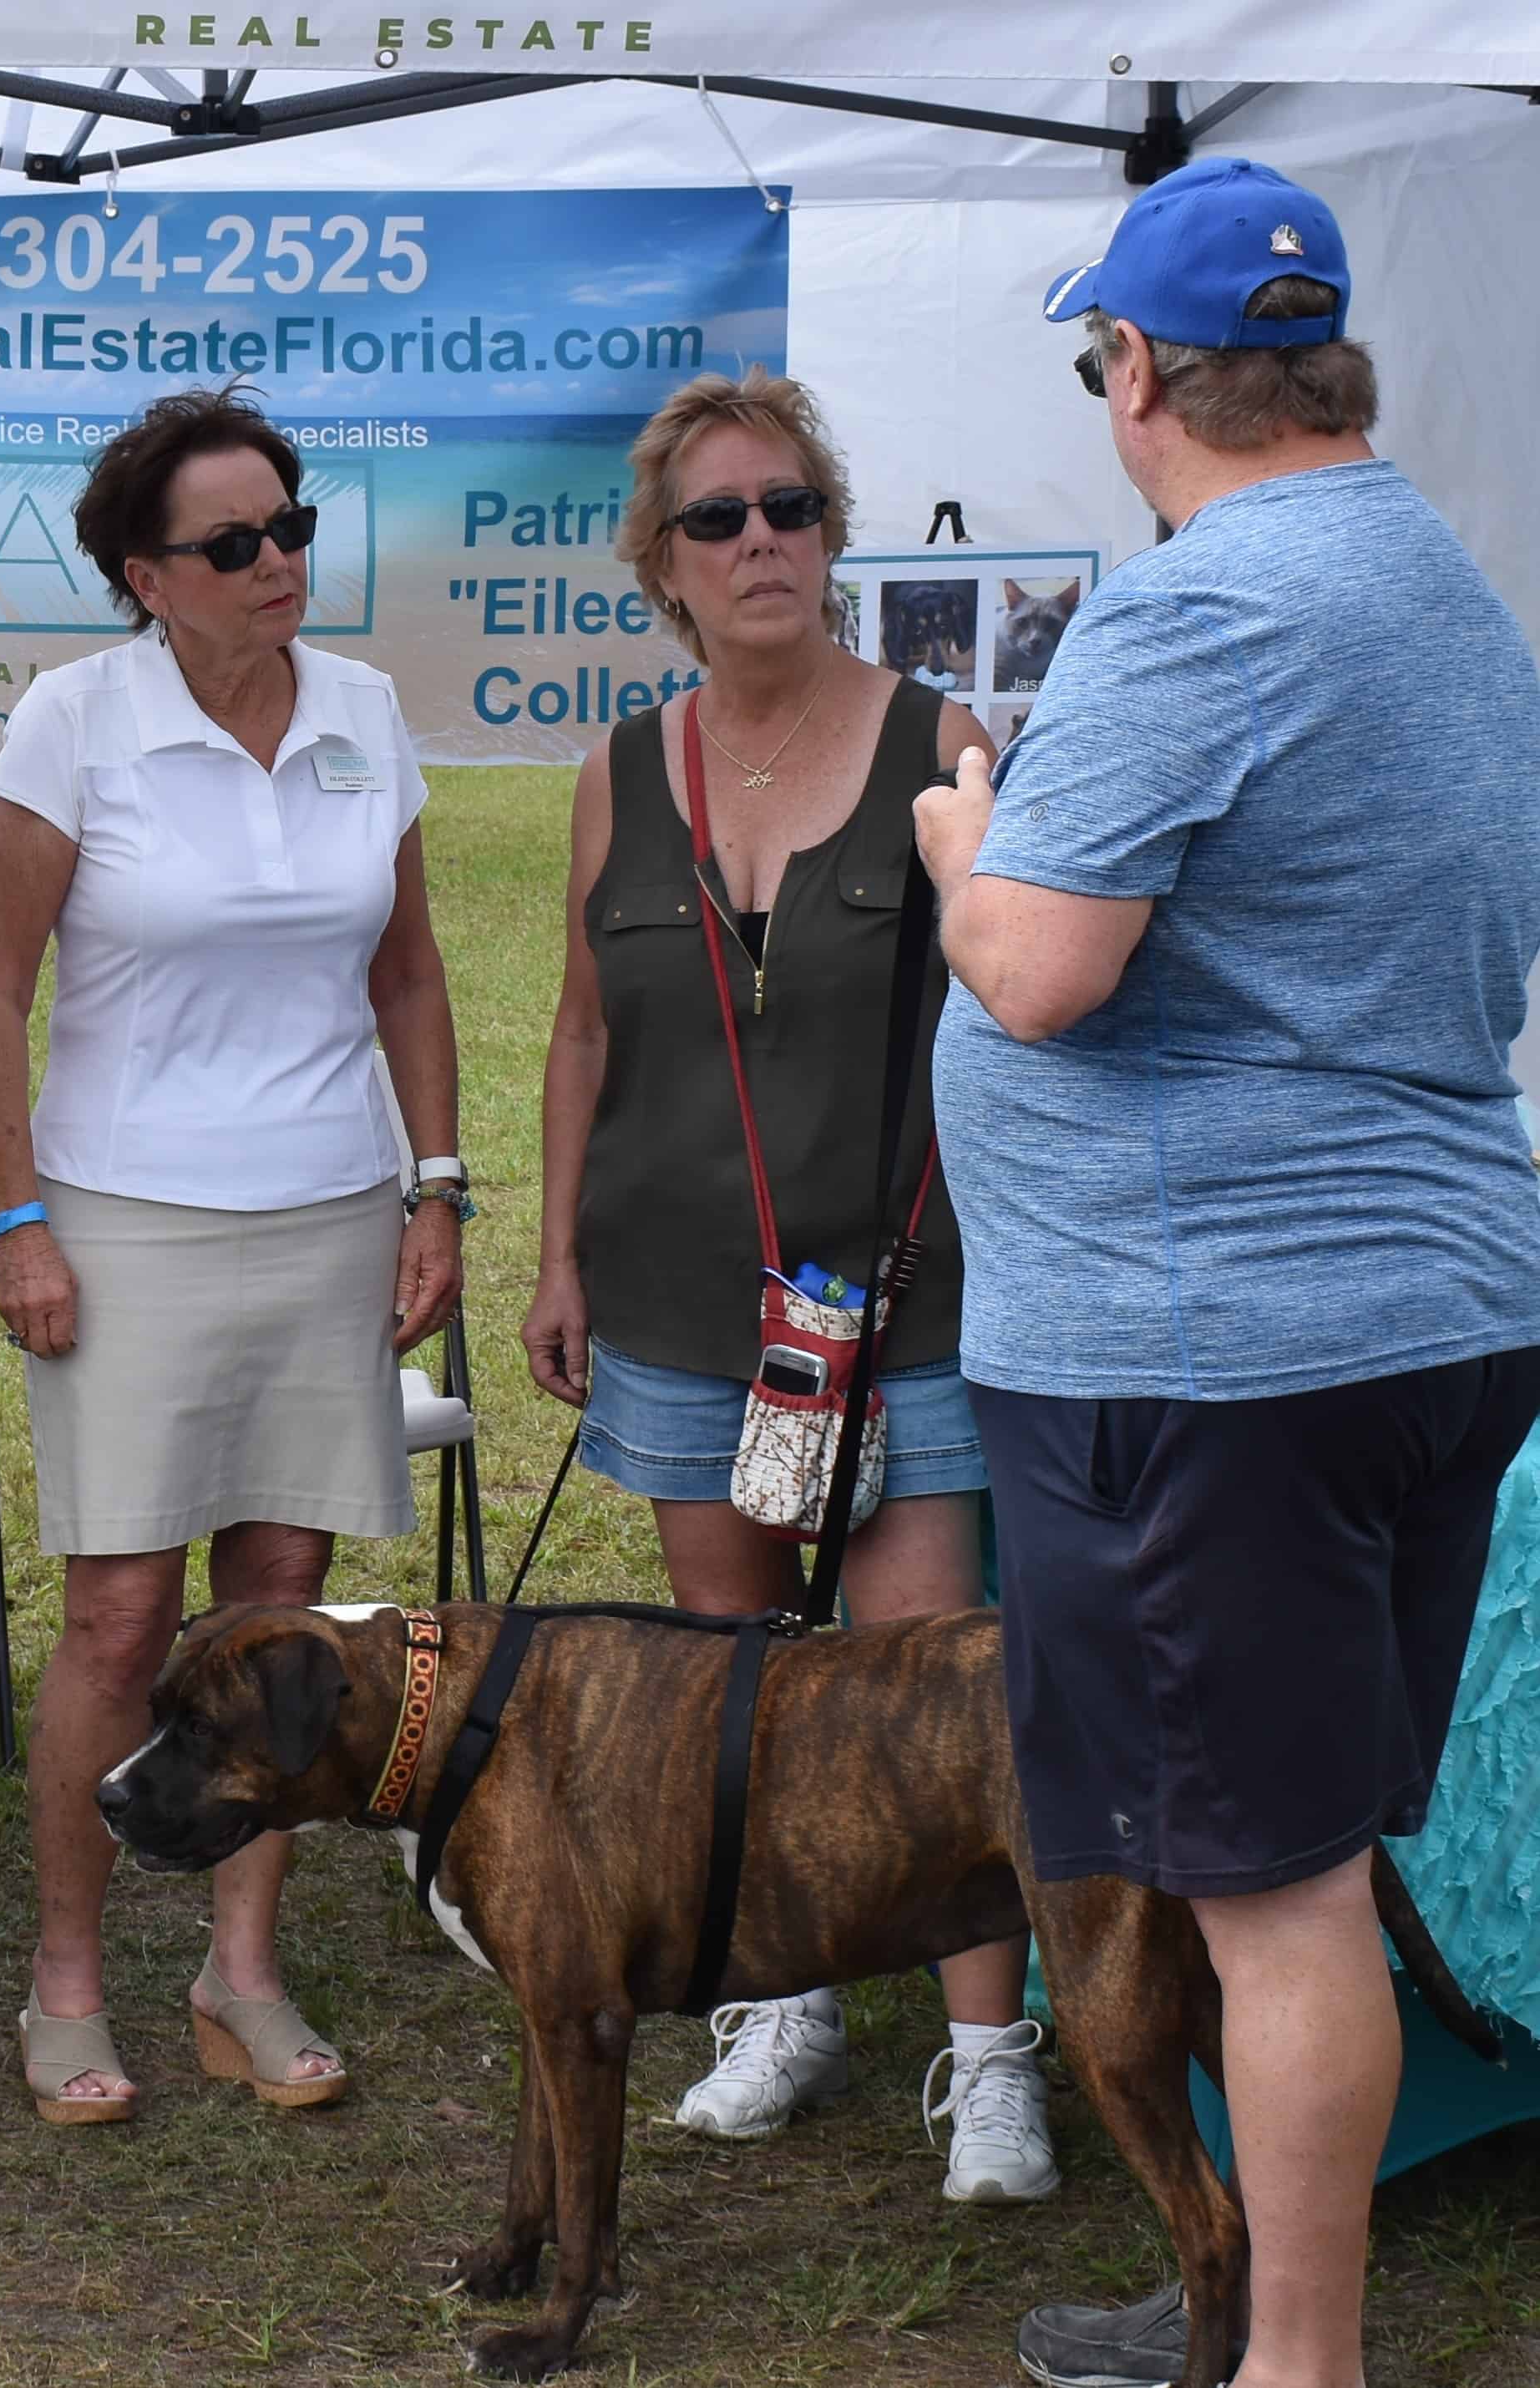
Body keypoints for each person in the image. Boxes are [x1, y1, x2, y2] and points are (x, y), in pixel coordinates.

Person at [917, 159, 1540, 2388]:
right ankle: (1243, 2318)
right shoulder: (1442, 579)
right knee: (1281, 1860)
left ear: (1140, 374)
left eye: (1100, 365)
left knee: (1266, 1893)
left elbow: (1042, 969)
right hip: (1412, 1309)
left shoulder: (1205, 602)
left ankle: (1294, 2366)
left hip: (1218, 1351)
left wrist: (960, 840)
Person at [520, 367, 1056, 2203]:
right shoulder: (617, 771)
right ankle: (791, 2001)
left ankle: (993, 2059)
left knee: (926, 1688)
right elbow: (585, 1029)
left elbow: (1026, 1004)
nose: (763, 543)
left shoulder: (943, 734)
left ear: (833, 534)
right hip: (683, 1300)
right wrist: (551, 1252)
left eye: (794, 509)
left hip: (907, 1296)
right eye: (720, 518)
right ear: (660, 563)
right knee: (741, 1682)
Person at [0, 384, 464, 2124]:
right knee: (116, 1611)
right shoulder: (69, 720)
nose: (279, 564)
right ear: (144, 575)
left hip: (326, 1205)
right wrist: (17, 1215)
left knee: (276, 1616)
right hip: (119, 1214)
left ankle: (240, 1968)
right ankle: (67, 1975)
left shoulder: (364, 707)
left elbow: (407, 973)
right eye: (234, 544)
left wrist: (440, 1186)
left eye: (293, 527)